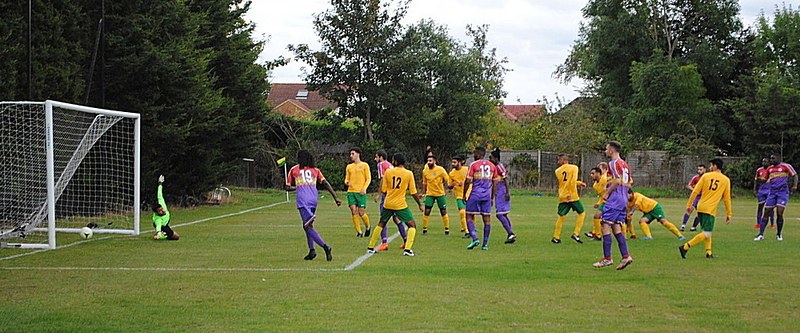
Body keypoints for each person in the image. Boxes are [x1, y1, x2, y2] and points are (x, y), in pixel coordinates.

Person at [285, 150, 341, 261]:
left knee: (307, 226)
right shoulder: (315, 170)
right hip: (313, 199)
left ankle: (325, 247)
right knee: (308, 225)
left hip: (303, 200)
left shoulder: (294, 170)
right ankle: (312, 251)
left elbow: (287, 187)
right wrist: (335, 197)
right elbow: (325, 183)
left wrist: (297, 188)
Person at [366, 153, 423, 257]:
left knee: (381, 223)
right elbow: (413, 192)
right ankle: (408, 249)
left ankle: (370, 247)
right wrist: (419, 204)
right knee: (412, 225)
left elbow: (384, 189)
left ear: (395, 162)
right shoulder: (408, 173)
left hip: (388, 203)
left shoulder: (388, 172)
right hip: (400, 204)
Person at [679, 158, 732, 259]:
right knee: (707, 232)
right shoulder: (726, 180)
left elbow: (695, 191)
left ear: (715, 166)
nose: (710, 167)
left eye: (711, 165)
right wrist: (729, 213)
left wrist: (689, 205)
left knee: (706, 231)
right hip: (710, 210)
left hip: (701, 207)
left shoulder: (706, 176)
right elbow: (726, 199)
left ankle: (709, 253)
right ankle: (685, 247)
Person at [593, 141, 634, 270]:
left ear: (611, 150)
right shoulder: (624, 164)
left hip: (615, 199)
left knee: (605, 224)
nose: (605, 151)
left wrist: (607, 193)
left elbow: (617, 180)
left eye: (606, 149)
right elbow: (628, 182)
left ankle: (607, 258)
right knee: (616, 227)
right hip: (623, 198)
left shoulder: (614, 163)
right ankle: (625, 256)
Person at [463, 147, 500, 250]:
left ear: (478, 154)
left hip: (475, 194)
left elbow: (467, 181)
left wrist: (464, 194)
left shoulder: (473, 165)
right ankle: (485, 244)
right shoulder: (492, 166)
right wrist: (492, 197)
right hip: (487, 196)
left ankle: (475, 238)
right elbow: (495, 183)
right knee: (487, 219)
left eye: (474, 153)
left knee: (469, 215)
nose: (473, 155)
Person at [754, 154, 797, 241]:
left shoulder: (785, 166)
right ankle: (761, 234)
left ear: (778, 158)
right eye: (771, 158)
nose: (771, 160)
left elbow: (794, 175)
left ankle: (779, 234)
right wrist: (759, 180)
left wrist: (795, 185)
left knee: (779, 212)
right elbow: (765, 180)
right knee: (766, 212)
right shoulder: (770, 169)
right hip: (772, 193)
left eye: (773, 158)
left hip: (782, 193)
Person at [373, 149, 407, 251]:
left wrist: (379, 193)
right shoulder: (390, 165)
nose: (375, 159)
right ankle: (405, 240)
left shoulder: (381, 165)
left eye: (376, 157)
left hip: (387, 196)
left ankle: (384, 243)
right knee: (396, 219)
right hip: (396, 195)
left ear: (381, 157)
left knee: (383, 219)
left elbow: (383, 179)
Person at [552, 154, 587, 244]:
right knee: (582, 213)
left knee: (561, 216)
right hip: (572, 196)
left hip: (562, 195)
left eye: (559, 160)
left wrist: (579, 183)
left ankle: (556, 237)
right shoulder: (574, 168)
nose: (558, 162)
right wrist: (570, 194)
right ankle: (576, 233)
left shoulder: (557, 171)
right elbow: (571, 182)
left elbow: (565, 182)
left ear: (563, 160)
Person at [489, 148, 516, 244]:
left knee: (500, 214)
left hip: (502, 191)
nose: (490, 159)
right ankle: (511, 234)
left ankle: (510, 233)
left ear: (496, 158)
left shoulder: (499, 166)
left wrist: (507, 192)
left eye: (491, 157)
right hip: (499, 192)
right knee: (503, 214)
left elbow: (505, 179)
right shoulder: (494, 167)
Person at [421, 154, 452, 235]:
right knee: (427, 211)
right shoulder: (425, 171)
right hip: (430, 194)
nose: (429, 162)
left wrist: (449, 186)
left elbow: (447, 179)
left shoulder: (440, 170)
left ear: (434, 161)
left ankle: (447, 230)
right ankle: (424, 229)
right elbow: (424, 183)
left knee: (443, 211)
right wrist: (423, 193)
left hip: (440, 194)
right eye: (428, 161)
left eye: (430, 161)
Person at [345, 147, 371, 237]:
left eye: (353, 154)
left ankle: (368, 226)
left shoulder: (364, 165)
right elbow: (346, 179)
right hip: (351, 192)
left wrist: (364, 188)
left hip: (360, 192)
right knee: (353, 211)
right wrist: (347, 182)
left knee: (361, 212)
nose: (351, 156)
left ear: (358, 154)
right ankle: (359, 232)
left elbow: (368, 178)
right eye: (350, 154)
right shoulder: (349, 166)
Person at [584, 164, 609, 241]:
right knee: (597, 216)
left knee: (614, 221)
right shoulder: (595, 185)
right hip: (605, 202)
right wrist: (598, 203)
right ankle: (597, 235)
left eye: (593, 173)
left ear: (599, 173)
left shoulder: (605, 179)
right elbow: (602, 196)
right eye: (591, 174)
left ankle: (624, 235)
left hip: (613, 202)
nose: (591, 175)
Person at [152, 175, 180, 240]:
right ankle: (162, 235)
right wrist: (158, 232)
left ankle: (162, 234)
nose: (162, 211)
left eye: (161, 209)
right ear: (157, 213)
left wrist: (160, 183)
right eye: (160, 211)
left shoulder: (162, 204)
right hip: (163, 226)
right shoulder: (158, 220)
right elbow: (158, 226)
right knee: (176, 237)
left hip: (165, 223)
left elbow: (159, 195)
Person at [448, 155, 470, 238]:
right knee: (462, 212)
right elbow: (449, 186)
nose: (453, 164)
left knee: (470, 213)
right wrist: (452, 185)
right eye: (452, 162)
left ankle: (471, 228)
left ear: (460, 162)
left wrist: (465, 183)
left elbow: (472, 180)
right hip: (459, 196)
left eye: (455, 162)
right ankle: (467, 232)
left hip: (468, 194)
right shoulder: (452, 173)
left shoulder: (466, 169)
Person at [680, 164, 706, 232]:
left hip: (703, 198)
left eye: (701, 169)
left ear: (704, 170)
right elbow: (689, 185)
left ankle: (693, 227)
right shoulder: (696, 178)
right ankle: (683, 225)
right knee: (689, 209)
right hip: (695, 197)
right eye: (698, 169)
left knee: (700, 213)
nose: (699, 171)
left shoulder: (707, 178)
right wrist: (695, 191)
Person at [753, 157, 774, 229]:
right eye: (763, 162)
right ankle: (758, 224)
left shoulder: (772, 170)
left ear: (769, 163)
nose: (764, 163)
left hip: (770, 190)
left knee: (770, 208)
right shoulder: (759, 170)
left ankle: (772, 224)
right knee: (760, 207)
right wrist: (755, 189)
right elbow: (756, 180)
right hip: (761, 191)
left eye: (765, 162)